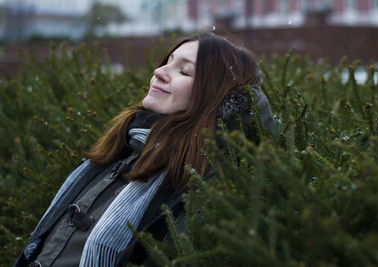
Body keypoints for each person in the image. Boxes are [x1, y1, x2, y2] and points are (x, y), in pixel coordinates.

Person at [14, 32, 274, 267]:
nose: (160, 71)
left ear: (213, 97)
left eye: (184, 72)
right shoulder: (128, 145)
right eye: (168, 61)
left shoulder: (201, 183)